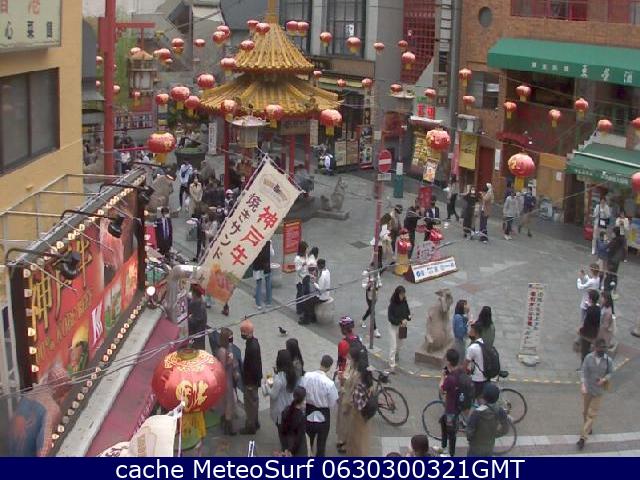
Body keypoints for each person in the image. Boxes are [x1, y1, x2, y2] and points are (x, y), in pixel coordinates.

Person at [8, 365, 71, 456]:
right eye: (66, 388)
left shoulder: (30, 394)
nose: (66, 392)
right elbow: (44, 445)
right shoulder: (52, 408)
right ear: (60, 387)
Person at [577, 338, 612, 450]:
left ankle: (583, 438)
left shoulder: (608, 360)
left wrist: (604, 379)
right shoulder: (588, 358)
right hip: (587, 389)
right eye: (601, 347)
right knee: (585, 412)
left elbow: (610, 373)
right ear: (595, 347)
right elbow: (583, 371)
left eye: (604, 347)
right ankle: (588, 427)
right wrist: (583, 385)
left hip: (598, 392)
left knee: (591, 414)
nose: (603, 350)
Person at [300, 355, 339, 457]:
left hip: (308, 411)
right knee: (321, 445)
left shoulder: (307, 376)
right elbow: (332, 403)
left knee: (308, 443)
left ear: (320, 362)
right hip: (323, 415)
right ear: (329, 367)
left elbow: (301, 392)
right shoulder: (329, 383)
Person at [335, 318, 361, 453]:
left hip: (347, 379)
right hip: (358, 379)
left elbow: (341, 362)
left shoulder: (343, 344)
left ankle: (342, 440)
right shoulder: (358, 340)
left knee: (343, 412)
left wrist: (340, 378)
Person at [266, 349, 300, 447]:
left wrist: (267, 384)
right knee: (288, 431)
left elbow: (273, 394)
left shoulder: (279, 379)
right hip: (290, 406)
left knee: (282, 433)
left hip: (280, 410)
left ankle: (285, 450)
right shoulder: (292, 374)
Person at [439, 348, 467, 457]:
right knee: (443, 422)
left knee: (451, 432)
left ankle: (450, 454)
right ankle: (443, 447)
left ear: (448, 361)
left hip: (451, 408)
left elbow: (442, 390)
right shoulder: (460, 371)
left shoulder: (450, 379)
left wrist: (442, 377)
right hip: (459, 404)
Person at [466, 383, 508, 457]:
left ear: (484, 397)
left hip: (475, 448)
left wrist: (471, 440)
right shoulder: (500, 410)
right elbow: (505, 429)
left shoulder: (476, 413)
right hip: (489, 447)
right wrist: (494, 435)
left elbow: (469, 433)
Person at [347, 348, 373, 456]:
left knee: (357, 439)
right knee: (363, 438)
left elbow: (357, 404)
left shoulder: (359, 383)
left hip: (359, 415)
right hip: (366, 413)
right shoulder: (369, 380)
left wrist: (350, 402)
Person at [240, 320, 262, 435]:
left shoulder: (251, 347)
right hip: (254, 380)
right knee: (254, 401)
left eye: (242, 332)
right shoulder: (254, 342)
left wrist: (249, 383)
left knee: (250, 404)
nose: (241, 334)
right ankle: (255, 421)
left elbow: (253, 368)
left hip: (250, 382)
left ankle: (250, 426)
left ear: (247, 333)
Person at [216, 327, 239, 435]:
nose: (231, 340)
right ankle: (228, 426)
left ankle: (226, 422)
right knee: (228, 402)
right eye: (230, 338)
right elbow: (221, 367)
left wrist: (235, 369)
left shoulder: (229, 347)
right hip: (225, 380)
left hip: (230, 377)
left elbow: (234, 362)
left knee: (229, 402)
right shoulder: (222, 351)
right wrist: (229, 361)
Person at [279, 386, 308, 456]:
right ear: (303, 400)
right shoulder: (301, 417)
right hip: (298, 449)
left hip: (287, 443)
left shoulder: (286, 411)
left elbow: (282, 430)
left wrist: (286, 448)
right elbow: (299, 437)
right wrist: (291, 451)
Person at [387, 285, 411, 371]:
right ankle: (391, 365)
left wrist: (408, 317)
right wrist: (400, 321)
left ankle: (396, 354)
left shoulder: (404, 302)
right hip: (393, 327)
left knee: (400, 345)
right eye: (401, 294)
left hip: (402, 327)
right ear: (397, 294)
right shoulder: (392, 305)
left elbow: (407, 312)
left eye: (403, 294)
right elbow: (390, 318)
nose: (402, 296)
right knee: (393, 345)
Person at [304, 258, 331, 324]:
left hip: (322, 297)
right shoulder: (327, 271)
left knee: (308, 301)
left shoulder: (322, 276)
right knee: (310, 298)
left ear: (319, 265)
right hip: (326, 293)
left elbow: (320, 289)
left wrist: (313, 282)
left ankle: (310, 318)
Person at [464, 324, 487, 399]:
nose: (469, 332)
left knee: (468, 399)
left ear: (475, 333)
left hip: (476, 379)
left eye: (471, 330)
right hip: (485, 376)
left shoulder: (472, 348)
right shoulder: (483, 343)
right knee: (480, 399)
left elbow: (465, 364)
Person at [578, 289, 600, 364]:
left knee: (584, 351)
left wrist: (580, 331)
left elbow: (586, 324)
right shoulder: (598, 309)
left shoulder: (590, 310)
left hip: (587, 335)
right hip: (594, 333)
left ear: (590, 299)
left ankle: (584, 366)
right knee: (589, 350)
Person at [252, 240, 273, 310]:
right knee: (268, 283)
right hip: (266, 266)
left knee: (259, 284)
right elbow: (272, 253)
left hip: (257, 266)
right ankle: (269, 302)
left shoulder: (254, 241)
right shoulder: (268, 241)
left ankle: (258, 304)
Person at [605, 226, 625, 297]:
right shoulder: (621, 240)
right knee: (613, 275)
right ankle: (613, 290)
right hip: (616, 261)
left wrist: (606, 242)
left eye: (612, 232)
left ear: (615, 233)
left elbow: (608, 248)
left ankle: (609, 291)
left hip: (612, 260)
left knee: (610, 275)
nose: (611, 234)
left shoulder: (614, 241)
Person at [187, 284, 207, 349]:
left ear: (195, 294)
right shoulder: (197, 301)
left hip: (197, 335)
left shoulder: (198, 304)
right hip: (197, 333)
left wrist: (189, 318)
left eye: (192, 292)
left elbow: (195, 321)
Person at [361, 272, 381, 338]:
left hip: (375, 295)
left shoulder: (377, 272)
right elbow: (363, 285)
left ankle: (363, 319)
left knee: (370, 310)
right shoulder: (366, 273)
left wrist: (378, 285)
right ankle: (375, 330)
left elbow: (380, 283)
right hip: (369, 296)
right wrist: (369, 284)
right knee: (372, 312)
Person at [294, 241, 309, 320]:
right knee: (300, 294)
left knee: (305, 293)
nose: (307, 250)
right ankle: (299, 309)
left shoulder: (305, 256)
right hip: (300, 279)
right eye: (306, 249)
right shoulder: (297, 259)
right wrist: (302, 265)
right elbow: (297, 269)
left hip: (306, 277)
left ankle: (303, 307)